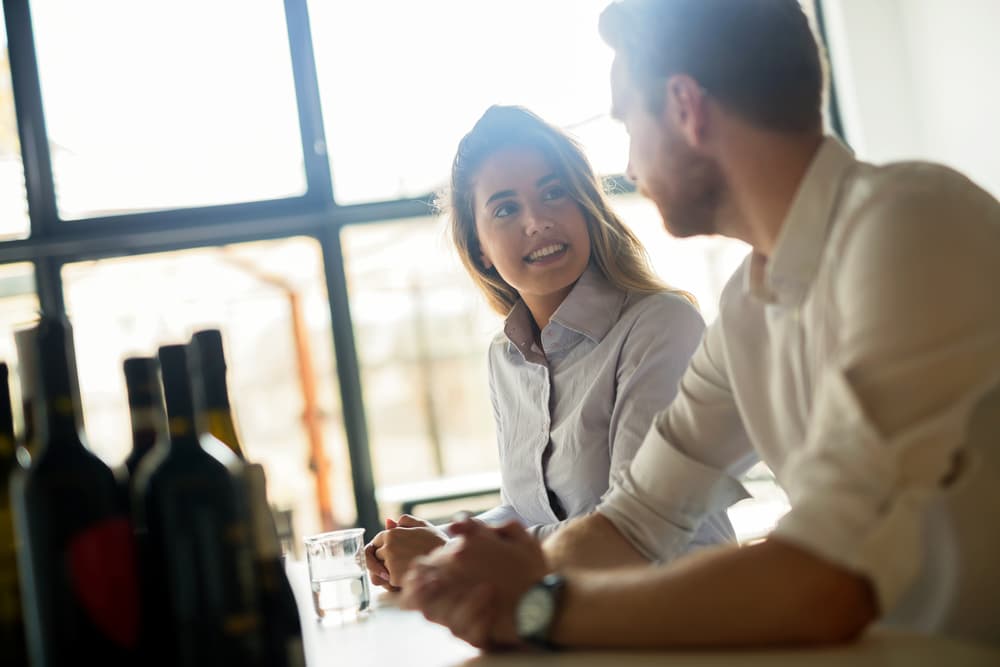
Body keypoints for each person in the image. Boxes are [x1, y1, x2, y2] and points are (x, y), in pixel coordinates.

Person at [400, 0, 1000, 649]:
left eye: (629, 123)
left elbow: (827, 580)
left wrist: (537, 606)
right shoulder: (749, 306)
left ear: (686, 109)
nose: (628, 166)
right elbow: (629, 524)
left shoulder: (910, 223)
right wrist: (484, 576)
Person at [364, 105, 736, 590]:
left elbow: (631, 536)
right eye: (505, 208)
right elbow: (525, 510)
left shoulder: (660, 325)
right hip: (576, 625)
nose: (537, 221)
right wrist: (447, 538)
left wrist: (451, 552)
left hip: (680, 619)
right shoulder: (506, 356)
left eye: (553, 193)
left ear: (585, 206)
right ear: (479, 248)